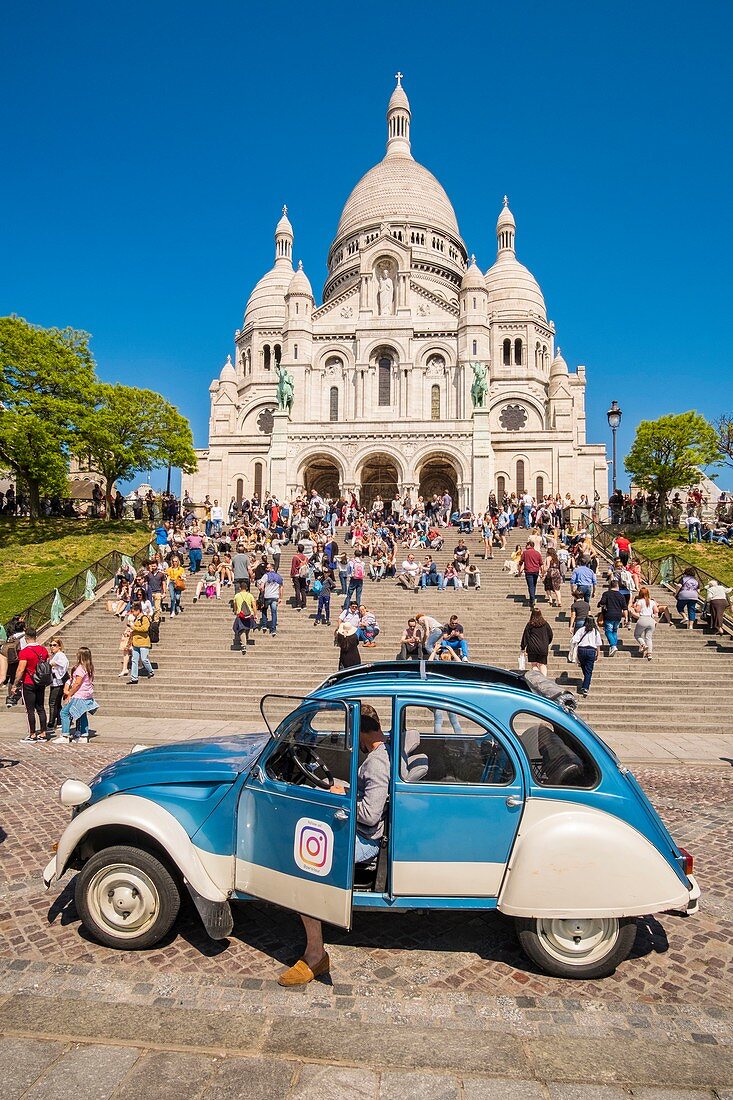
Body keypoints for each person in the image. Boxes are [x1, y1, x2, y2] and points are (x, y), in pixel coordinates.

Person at [278, 704, 389, 987]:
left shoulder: (376, 763)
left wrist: (343, 800)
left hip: (366, 838)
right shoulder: (381, 753)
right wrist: (341, 790)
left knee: (305, 863)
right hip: (365, 828)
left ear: (362, 733)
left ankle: (315, 954)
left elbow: (370, 814)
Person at [12, 627, 49, 743]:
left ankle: (32, 734)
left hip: (29, 682)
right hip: (41, 682)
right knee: (41, 708)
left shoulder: (25, 652)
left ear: (26, 638)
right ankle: (43, 733)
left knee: (30, 710)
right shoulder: (43, 650)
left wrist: (15, 684)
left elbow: (20, 669)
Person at [54, 647, 98, 744]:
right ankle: (83, 735)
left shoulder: (80, 668)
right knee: (82, 714)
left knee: (64, 713)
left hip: (79, 695)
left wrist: (70, 694)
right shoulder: (89, 667)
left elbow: (77, 683)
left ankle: (65, 735)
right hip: (87, 694)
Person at [571, 614, 603, 698]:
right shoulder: (595, 631)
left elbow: (574, 639)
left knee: (583, 666)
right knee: (589, 670)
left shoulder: (581, 630)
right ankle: (585, 687)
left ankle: (586, 681)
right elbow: (598, 644)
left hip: (581, 650)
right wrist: (598, 654)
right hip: (591, 650)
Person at [520, 608, 553, 677]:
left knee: (534, 664)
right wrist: (547, 643)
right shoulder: (545, 624)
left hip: (532, 647)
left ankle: (537, 677)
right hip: (543, 647)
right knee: (542, 664)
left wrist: (523, 647)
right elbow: (550, 634)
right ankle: (544, 678)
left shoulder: (530, 624)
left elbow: (525, 636)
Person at [598, 579, 628, 656]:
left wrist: (600, 605)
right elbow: (625, 608)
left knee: (608, 631)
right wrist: (626, 618)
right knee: (614, 631)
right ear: (617, 586)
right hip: (618, 616)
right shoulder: (621, 595)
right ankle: (613, 646)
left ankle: (613, 645)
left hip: (609, 615)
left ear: (610, 586)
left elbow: (602, 602)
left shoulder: (606, 594)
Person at [128, 602, 155, 684]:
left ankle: (150, 671)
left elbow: (145, 628)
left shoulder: (144, 618)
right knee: (134, 660)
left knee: (144, 659)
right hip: (136, 642)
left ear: (138, 611)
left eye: (133, 611)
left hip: (143, 642)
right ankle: (134, 678)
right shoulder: (136, 619)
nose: (132, 613)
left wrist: (133, 627)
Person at [47, 637, 69, 734]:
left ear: (59, 646)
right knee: (57, 703)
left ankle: (51, 723)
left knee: (52, 703)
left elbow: (63, 664)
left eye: (54, 645)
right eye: (51, 645)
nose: (52, 647)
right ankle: (59, 722)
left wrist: (52, 663)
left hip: (58, 682)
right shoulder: (56, 655)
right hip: (55, 682)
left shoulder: (60, 655)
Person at [630, 586, 658, 660]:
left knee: (637, 634)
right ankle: (649, 654)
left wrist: (634, 606)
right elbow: (656, 610)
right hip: (651, 620)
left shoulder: (640, 601)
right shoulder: (652, 601)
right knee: (649, 637)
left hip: (643, 619)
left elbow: (637, 610)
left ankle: (643, 644)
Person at [258, 564, 284, 636]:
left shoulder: (266, 575)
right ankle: (273, 629)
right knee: (274, 613)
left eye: (268, 567)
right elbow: (281, 588)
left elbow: (261, 587)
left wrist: (261, 591)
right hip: (275, 597)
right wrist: (281, 598)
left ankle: (264, 625)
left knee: (264, 610)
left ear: (271, 568)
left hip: (267, 596)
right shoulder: (279, 577)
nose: (266, 569)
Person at [232, 580, 257, 652]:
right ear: (246, 588)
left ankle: (243, 645)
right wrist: (255, 614)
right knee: (247, 628)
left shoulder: (237, 596)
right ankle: (246, 639)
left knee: (241, 629)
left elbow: (235, 605)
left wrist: (235, 611)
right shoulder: (250, 595)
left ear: (240, 588)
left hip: (240, 615)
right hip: (249, 614)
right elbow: (254, 605)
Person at [518, 538, 543, 606]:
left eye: (526, 545)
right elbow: (541, 564)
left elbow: (520, 562)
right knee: (534, 585)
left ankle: (532, 599)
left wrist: (519, 571)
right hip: (536, 571)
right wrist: (542, 573)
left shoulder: (525, 553)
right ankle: (533, 597)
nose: (525, 546)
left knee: (530, 586)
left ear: (529, 545)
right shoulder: (537, 553)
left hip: (528, 571)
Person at [291, 543, 309, 611]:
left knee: (297, 589)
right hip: (303, 575)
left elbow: (293, 567)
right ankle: (304, 604)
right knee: (303, 589)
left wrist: (292, 575)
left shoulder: (295, 557)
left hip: (297, 575)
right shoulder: (306, 558)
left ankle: (298, 603)